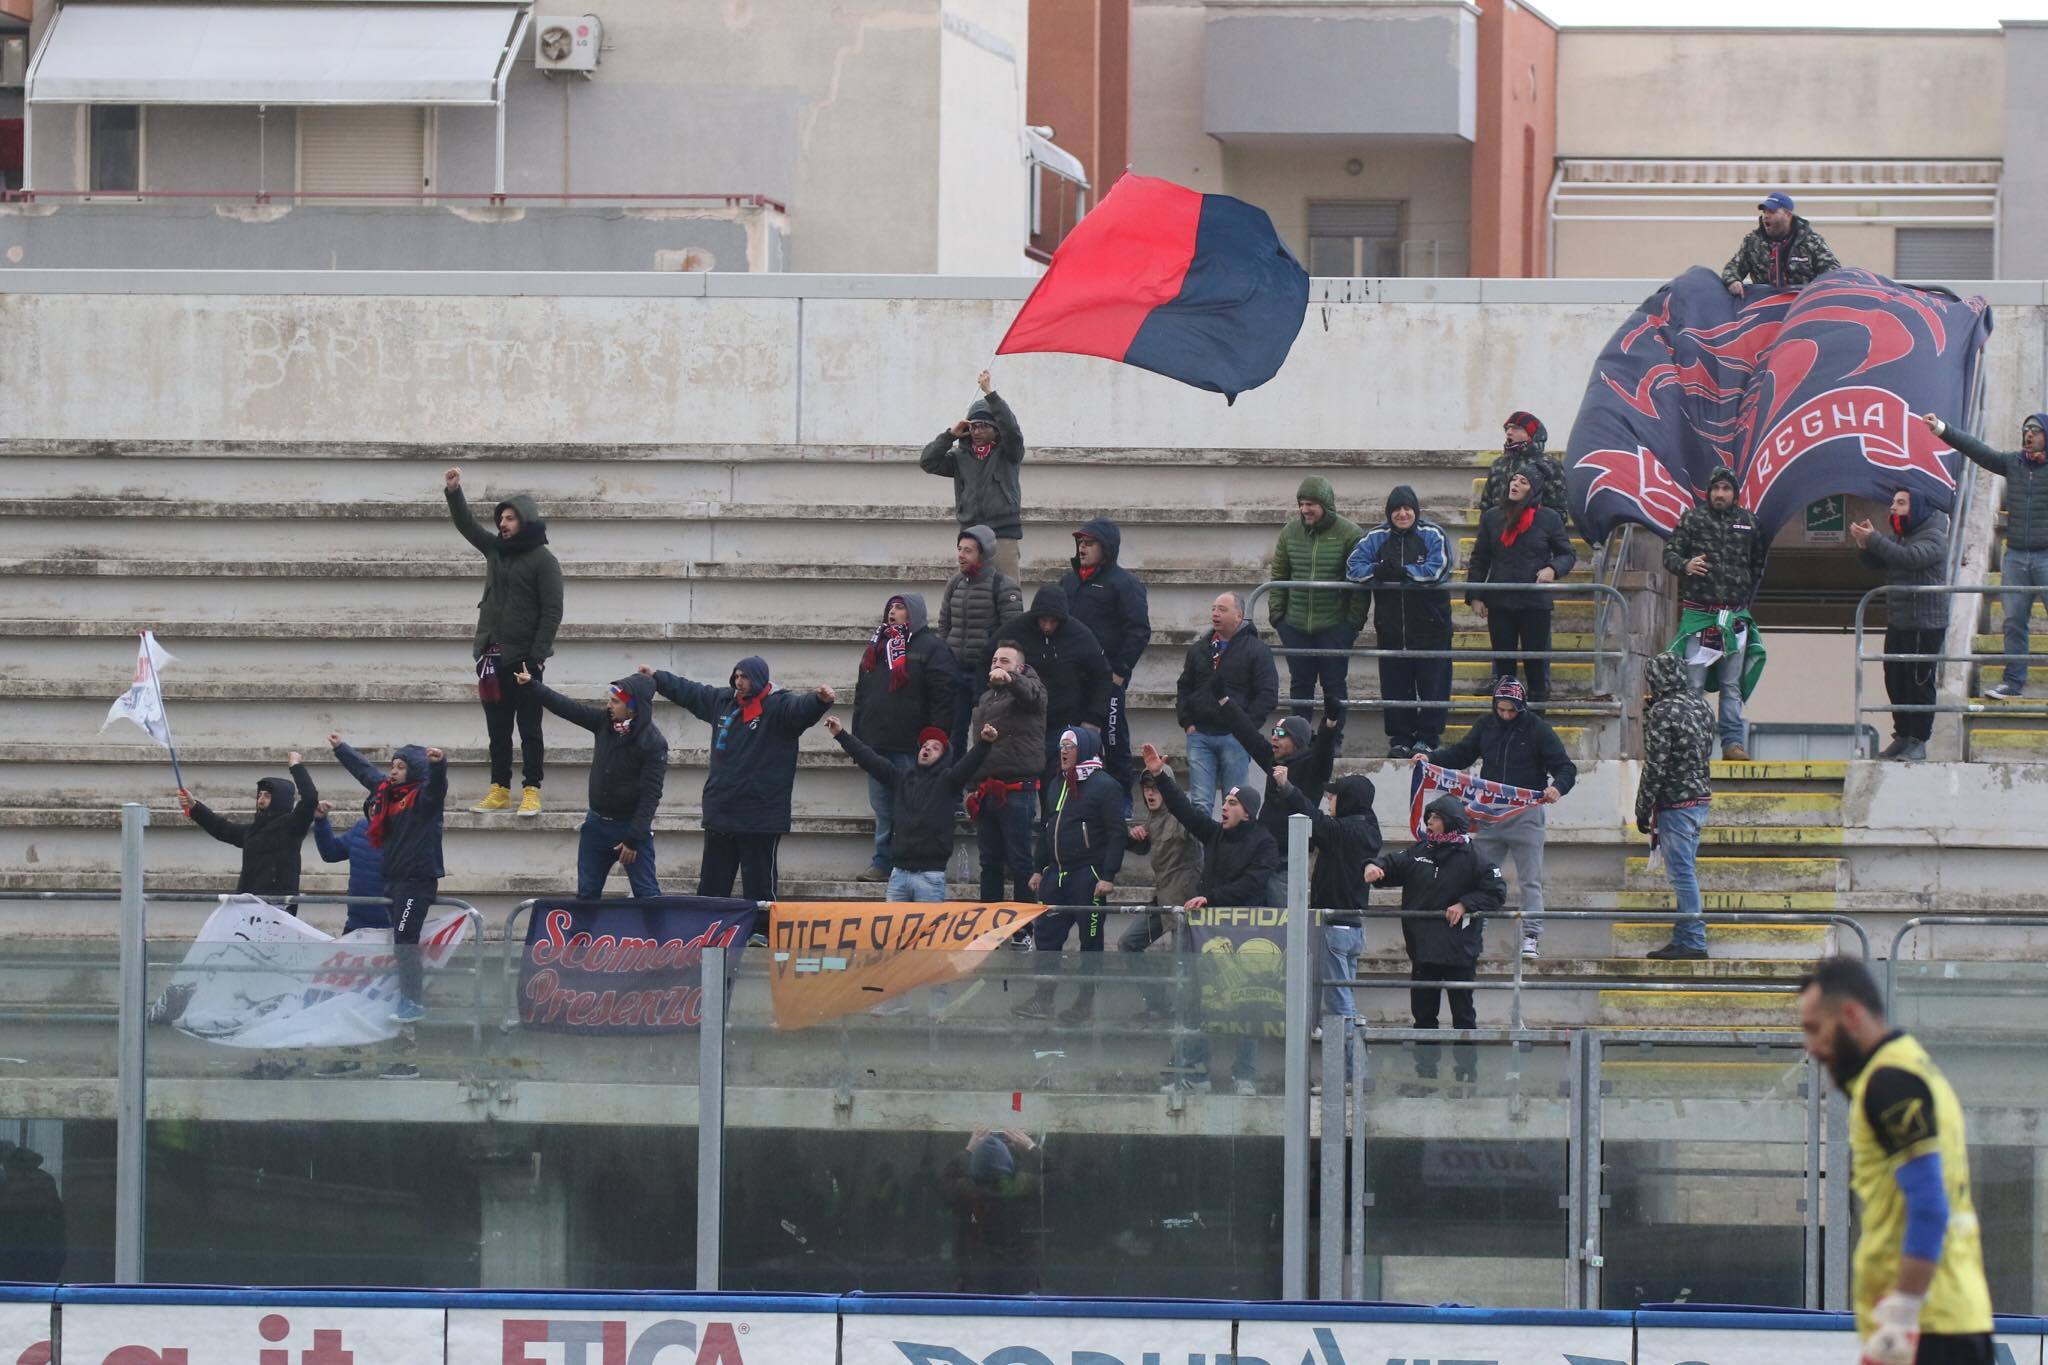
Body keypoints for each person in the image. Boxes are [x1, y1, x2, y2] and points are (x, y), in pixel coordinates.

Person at [1798, 957, 1994, 1365]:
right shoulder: (1909, 1067)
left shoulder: (1890, 1082)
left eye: (1815, 1030)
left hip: (1928, 1328)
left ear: (1850, 1015)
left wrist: (1901, 1317)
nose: (1812, 1048)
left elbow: (1929, 1205)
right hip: (1944, 1320)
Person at [1140, 740, 1280, 1095]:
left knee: (1247, 1008)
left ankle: (1244, 1075)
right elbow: (1186, 812)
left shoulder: (1264, 842)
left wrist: (1211, 897)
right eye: (1226, 802)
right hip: (1209, 934)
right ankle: (1196, 1073)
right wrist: (1161, 776)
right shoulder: (1216, 834)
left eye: (1232, 803)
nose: (1225, 808)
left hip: (1246, 935)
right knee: (1197, 1002)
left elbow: (1253, 883)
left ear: (1247, 811)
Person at [647, 657, 835, 901]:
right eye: (736, 676)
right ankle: (711, 931)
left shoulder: (779, 705)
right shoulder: (723, 701)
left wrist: (819, 700)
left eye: (744, 677)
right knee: (712, 885)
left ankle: (760, 933)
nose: (739, 682)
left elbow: (800, 709)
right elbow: (690, 692)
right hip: (721, 810)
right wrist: (656, 678)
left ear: (758, 678)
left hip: (760, 815)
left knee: (759, 886)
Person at [1424, 676, 1576, 960]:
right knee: (1478, 875)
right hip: (1490, 815)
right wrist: (1430, 759)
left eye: (1512, 710)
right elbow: (1461, 754)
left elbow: (1565, 767)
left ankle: (1531, 935)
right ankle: (1474, 928)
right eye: (1501, 709)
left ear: (1522, 707)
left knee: (1531, 879)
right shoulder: (1486, 725)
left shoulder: (1538, 730)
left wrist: (1557, 788)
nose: (1506, 715)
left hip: (1525, 813)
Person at [443, 467, 564, 818]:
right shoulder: (496, 551)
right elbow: (466, 526)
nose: (503, 524)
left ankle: (532, 790)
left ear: (525, 520)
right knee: (498, 730)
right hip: (491, 656)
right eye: (501, 519)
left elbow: (552, 611)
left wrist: (537, 657)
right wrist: (454, 491)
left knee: (529, 729)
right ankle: (499, 789)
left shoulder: (544, 560)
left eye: (510, 518)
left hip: (525, 659)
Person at [1365, 795, 1504, 1092]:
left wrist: (1465, 904)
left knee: (1463, 1017)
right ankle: (1424, 1076)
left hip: (1459, 952)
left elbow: (1496, 892)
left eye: (1436, 817)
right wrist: (1376, 867)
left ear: (1450, 821)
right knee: (1423, 1017)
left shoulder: (1473, 856)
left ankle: (1466, 1076)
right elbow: (1392, 864)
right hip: (1423, 950)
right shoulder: (1420, 851)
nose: (1429, 821)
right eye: (1429, 816)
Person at [1922, 410, 2048, 699]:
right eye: (2025, 429)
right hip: (2016, 556)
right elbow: (1978, 450)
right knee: (2014, 622)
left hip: (2046, 556)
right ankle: (2013, 684)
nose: (2028, 435)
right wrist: (1942, 428)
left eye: (2035, 430)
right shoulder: (2013, 464)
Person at [329, 734, 447, 1029]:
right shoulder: (387, 794)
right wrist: (341, 748)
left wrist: (438, 766)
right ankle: (393, 997)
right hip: (393, 880)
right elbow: (366, 772)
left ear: (415, 771)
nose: (392, 771)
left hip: (416, 882)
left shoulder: (422, 799)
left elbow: (437, 788)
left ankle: (412, 1001)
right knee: (398, 941)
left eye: (400, 767)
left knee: (405, 940)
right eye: (392, 766)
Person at [519, 667, 667, 900]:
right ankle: (583, 937)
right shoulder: (603, 722)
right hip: (596, 825)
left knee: (647, 894)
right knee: (587, 894)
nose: (609, 706)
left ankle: (657, 937)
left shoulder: (654, 742)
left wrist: (633, 839)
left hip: (629, 828)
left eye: (615, 702)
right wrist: (532, 685)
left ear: (633, 708)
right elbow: (567, 708)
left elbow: (651, 795)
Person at [1013, 727, 1126, 1023]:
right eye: (1061, 745)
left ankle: (1084, 1003)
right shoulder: (1056, 784)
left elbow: (1117, 834)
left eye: (1069, 746)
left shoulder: (1106, 786)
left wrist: (1108, 875)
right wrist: (1039, 868)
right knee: (1046, 939)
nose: (1063, 751)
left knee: (1090, 942)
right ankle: (1044, 999)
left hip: (1088, 877)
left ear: (1085, 750)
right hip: (1056, 876)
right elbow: (1046, 827)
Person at [1662, 466, 1770, 760]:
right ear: (1709, 492)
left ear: (1735, 493)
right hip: (1700, 617)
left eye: (1726, 489)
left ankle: (1732, 744)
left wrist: (1741, 594)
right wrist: (1685, 565)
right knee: (1693, 685)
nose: (1720, 494)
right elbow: (1669, 554)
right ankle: (1692, 746)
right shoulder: (1693, 519)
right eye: (1715, 489)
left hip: (1734, 619)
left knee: (1731, 686)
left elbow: (1758, 564)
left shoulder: (1750, 522)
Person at [827, 715, 992, 902]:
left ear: (944, 757)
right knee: (893, 931)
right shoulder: (900, 778)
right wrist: (840, 734)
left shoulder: (949, 781)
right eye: (924, 745)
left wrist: (984, 743)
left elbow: (969, 765)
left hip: (930, 876)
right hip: (898, 875)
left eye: (935, 747)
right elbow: (869, 759)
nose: (927, 748)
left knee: (928, 932)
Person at [852, 593, 956, 882]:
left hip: (912, 745)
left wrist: (936, 738)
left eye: (900, 607)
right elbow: (862, 695)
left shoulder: (932, 648)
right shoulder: (875, 647)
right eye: (890, 607)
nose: (893, 612)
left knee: (912, 810)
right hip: (876, 744)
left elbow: (943, 697)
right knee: (883, 809)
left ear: (914, 614)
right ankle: (883, 862)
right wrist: (858, 736)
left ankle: (910, 864)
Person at [1349, 484, 1455, 759]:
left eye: (1407, 508)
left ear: (1416, 510)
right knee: (1395, 683)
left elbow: (1438, 569)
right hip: (1392, 627)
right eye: (1397, 509)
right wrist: (1377, 571)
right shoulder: (1375, 536)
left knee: (1433, 683)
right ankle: (1400, 739)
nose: (1403, 514)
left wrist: (1402, 573)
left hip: (1432, 625)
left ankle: (1428, 739)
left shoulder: (1433, 534)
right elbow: (1353, 567)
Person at [1271, 767, 1380, 1028]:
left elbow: (1314, 818)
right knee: (1344, 996)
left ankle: (1352, 1062)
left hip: (1335, 927)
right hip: (1353, 927)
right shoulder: (1369, 828)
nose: (1329, 800)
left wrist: (1287, 788)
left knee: (1339, 1001)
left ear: (1349, 799)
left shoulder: (1344, 831)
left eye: (1334, 796)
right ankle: (1351, 1060)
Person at [1268, 476, 1369, 744]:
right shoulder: (1289, 532)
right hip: (1295, 625)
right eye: (1301, 503)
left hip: (1334, 626)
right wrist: (1278, 616)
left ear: (1326, 504)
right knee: (1300, 686)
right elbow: (1279, 574)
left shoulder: (1351, 533)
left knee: (1334, 687)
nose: (1304, 509)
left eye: (1310, 503)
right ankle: (1299, 742)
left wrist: (1351, 624)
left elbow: (1359, 583)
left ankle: (1331, 742)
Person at [1853, 489, 1952, 762]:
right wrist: (1865, 546)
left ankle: (1919, 740)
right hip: (1900, 621)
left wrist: (1874, 539)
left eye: (1900, 503)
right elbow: (1881, 561)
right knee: (1895, 680)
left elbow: (1909, 558)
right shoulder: (1902, 536)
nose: (1893, 508)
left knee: (1918, 683)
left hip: (1925, 624)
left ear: (1916, 507)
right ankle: (1903, 736)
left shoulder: (1933, 535)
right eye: (1893, 503)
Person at [990, 585, 1111, 800]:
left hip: (1063, 724)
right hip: (1023, 725)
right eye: (1042, 620)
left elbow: (1102, 676)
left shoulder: (1081, 636)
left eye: (1053, 621)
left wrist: (1093, 718)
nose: (1046, 626)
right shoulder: (1015, 630)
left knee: (1056, 787)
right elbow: (988, 662)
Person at [1467, 470, 1577, 706]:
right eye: (1514, 480)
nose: (1515, 484)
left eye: (1523, 482)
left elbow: (1567, 554)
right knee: (1505, 667)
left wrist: (1552, 569)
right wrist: (1475, 595)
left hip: (1534, 603)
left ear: (1534, 489)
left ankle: (1537, 717)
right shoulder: (1492, 517)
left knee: (1535, 665)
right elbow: (1480, 558)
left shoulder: (1548, 518)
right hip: (1500, 602)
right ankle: (1505, 716)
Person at [1058, 518, 1151, 789]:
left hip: (1106, 681)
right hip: (1071, 680)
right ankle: (1073, 796)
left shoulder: (1125, 584)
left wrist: (1120, 672)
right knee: (1071, 741)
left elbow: (1139, 631)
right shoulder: (1068, 582)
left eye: (1089, 543)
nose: (1082, 548)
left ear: (1106, 547)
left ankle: (1122, 798)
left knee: (1113, 740)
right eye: (1080, 543)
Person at [1636, 654, 1716, 962]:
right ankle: (1683, 936)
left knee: (1682, 874)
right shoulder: (1701, 705)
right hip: (1700, 798)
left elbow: (1656, 765)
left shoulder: (1662, 711)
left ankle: (1694, 939)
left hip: (1675, 802)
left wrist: (1642, 807)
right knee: (1686, 870)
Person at [1175, 591, 1280, 816]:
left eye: (1222, 609)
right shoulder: (1199, 649)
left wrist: (1244, 728)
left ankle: (1234, 852)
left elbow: (1267, 694)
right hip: (1200, 736)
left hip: (1236, 739)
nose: (1215, 614)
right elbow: (1184, 687)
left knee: (1235, 805)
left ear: (1239, 616)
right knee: (1199, 805)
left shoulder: (1257, 650)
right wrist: (1187, 723)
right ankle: (1203, 853)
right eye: (1213, 608)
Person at [1116, 758, 1204, 1021]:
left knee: (1185, 967)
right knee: (1128, 944)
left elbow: (1199, 828)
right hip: (1163, 901)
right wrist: (1131, 834)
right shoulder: (1153, 819)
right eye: (1146, 788)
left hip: (1185, 906)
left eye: (1156, 787)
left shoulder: (1183, 815)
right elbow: (1143, 847)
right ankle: (1158, 1004)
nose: (1150, 793)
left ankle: (1187, 1020)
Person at [1224, 709, 1340, 906]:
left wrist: (1328, 725)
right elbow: (1248, 735)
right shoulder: (1274, 761)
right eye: (1273, 732)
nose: (1273, 739)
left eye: (1280, 734)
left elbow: (1325, 752)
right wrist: (1224, 702)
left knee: (1285, 926)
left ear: (1297, 740)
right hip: (1261, 858)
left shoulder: (1313, 767)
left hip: (1287, 864)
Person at [920, 368, 1025, 582]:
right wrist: (950, 435)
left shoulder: (1008, 453)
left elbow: (1012, 430)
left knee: (1008, 592)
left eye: (983, 426)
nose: (977, 432)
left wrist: (990, 394)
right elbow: (928, 462)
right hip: (971, 535)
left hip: (1003, 535)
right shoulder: (960, 457)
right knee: (970, 595)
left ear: (995, 429)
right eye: (973, 427)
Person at [966, 642, 1048, 905]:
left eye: (1004, 661)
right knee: (989, 862)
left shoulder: (1033, 689)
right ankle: (989, 923)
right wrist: (972, 786)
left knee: (1020, 861)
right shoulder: (987, 697)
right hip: (986, 788)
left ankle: (1023, 927)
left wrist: (1011, 679)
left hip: (1016, 789)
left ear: (1020, 667)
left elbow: (1031, 695)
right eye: (994, 661)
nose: (997, 665)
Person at [177, 755, 319, 903]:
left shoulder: (293, 826)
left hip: (278, 908)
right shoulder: (253, 831)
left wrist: (296, 766)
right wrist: (194, 807)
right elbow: (221, 828)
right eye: (260, 795)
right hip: (248, 906)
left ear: (281, 799)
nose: (261, 800)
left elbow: (310, 799)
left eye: (268, 796)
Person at [939, 524, 1023, 751]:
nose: (961, 555)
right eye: (959, 549)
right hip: (956, 672)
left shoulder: (1004, 586)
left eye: (968, 550)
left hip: (986, 676)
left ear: (982, 554)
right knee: (955, 732)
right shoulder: (954, 584)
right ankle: (954, 783)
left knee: (986, 731)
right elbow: (944, 625)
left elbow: (1012, 633)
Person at [1721, 192, 1841, 293]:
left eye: (1772, 212)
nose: (1766, 216)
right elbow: (1732, 269)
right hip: (1766, 309)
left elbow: (1833, 273)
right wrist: (1733, 281)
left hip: (1802, 308)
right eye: (1764, 212)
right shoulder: (1753, 242)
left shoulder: (1812, 242)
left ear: (1788, 215)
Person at [311, 799, 389, 933]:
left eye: (381, 803)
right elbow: (330, 853)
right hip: (356, 925)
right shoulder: (360, 828)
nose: (374, 807)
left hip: (392, 929)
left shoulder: (405, 835)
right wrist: (321, 820)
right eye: (372, 802)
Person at [1480, 413, 1567, 514]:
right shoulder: (1499, 464)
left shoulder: (1549, 466)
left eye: (1516, 428)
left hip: (1535, 527)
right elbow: (1486, 505)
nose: (1509, 432)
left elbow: (1558, 511)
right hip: (1500, 527)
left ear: (1531, 435)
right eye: (1507, 428)